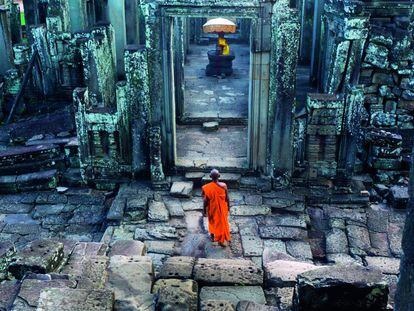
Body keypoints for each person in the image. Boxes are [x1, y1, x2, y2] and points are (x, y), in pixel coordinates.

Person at [202, 169, 231, 247]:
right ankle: (222, 238)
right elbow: (227, 198)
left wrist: (204, 210)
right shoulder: (224, 185)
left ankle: (212, 236)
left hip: (212, 208)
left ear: (210, 176)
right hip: (222, 207)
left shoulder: (206, 187)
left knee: (212, 221)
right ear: (219, 176)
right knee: (222, 222)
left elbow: (205, 201)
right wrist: (229, 206)